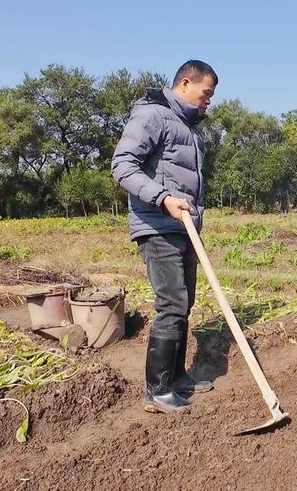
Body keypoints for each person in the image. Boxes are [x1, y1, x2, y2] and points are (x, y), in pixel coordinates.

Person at [111, 60, 218, 414]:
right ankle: (156, 390)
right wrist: (164, 198)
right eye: (206, 93)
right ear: (185, 83)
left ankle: (176, 376)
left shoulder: (190, 127)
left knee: (183, 304)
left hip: (184, 228)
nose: (208, 101)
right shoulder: (153, 116)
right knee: (171, 304)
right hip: (157, 226)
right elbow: (123, 166)